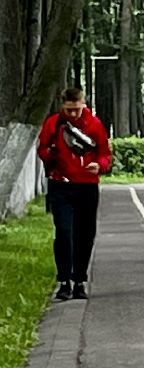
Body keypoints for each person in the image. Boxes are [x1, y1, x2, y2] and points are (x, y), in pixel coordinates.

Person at [36, 87, 112, 301]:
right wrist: (50, 155)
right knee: (64, 231)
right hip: (60, 185)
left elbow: (105, 154)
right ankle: (64, 281)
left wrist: (100, 165)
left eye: (76, 110)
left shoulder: (94, 125)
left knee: (85, 234)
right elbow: (42, 149)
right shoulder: (53, 123)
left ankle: (79, 280)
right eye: (68, 110)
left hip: (87, 186)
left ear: (83, 104)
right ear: (63, 106)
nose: (72, 114)